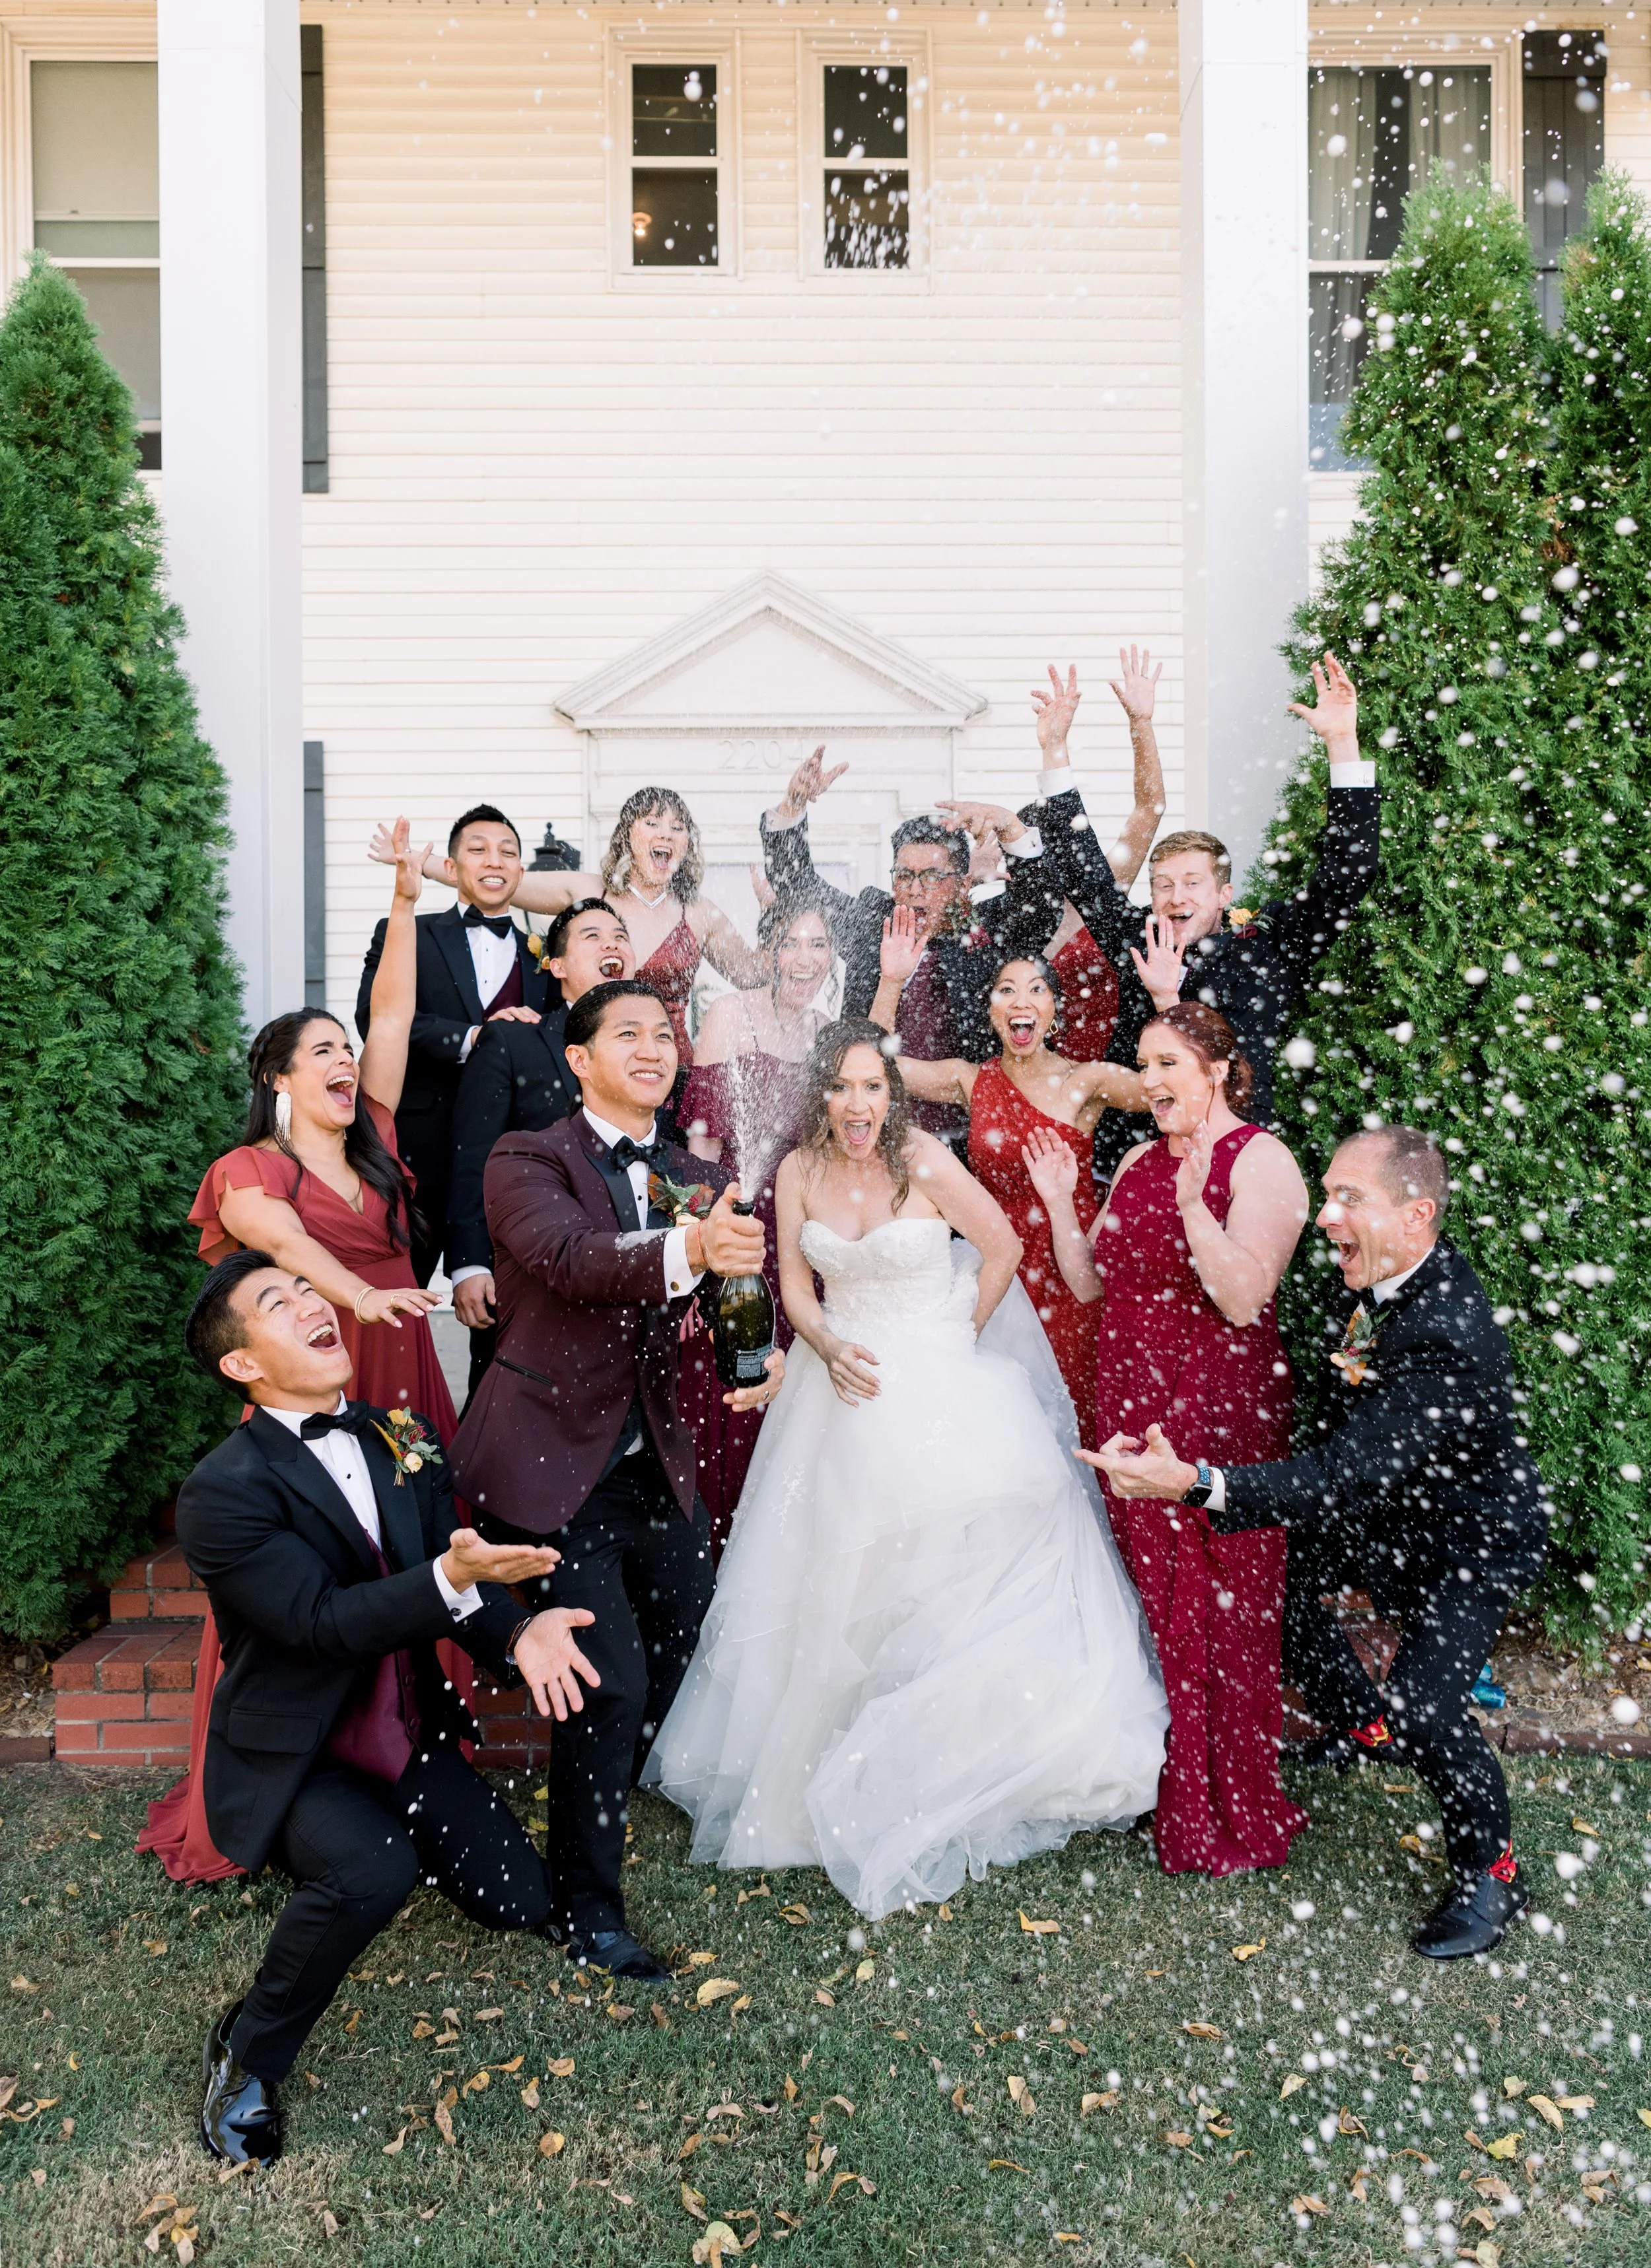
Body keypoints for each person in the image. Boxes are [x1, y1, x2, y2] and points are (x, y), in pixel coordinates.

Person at [644, 1019, 1168, 1920]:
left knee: (947, 1575)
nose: (858, 1104)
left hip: (937, 1379)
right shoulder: (797, 1170)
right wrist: (823, 1342)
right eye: (842, 1087)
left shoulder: (924, 1157)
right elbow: (795, 1286)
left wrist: (954, 1336)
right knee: (831, 1574)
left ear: (892, 1095)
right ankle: (834, 1755)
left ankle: (959, 1751)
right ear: (821, 1094)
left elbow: (1002, 1246)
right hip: (835, 1389)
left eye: (873, 1087)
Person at [176, 1248, 598, 2164]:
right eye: (278, 1302)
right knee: (372, 1870)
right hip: (303, 1754)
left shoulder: (399, 1432)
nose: (311, 1304)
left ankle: (408, 1832)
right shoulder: (220, 1492)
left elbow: (457, 1574)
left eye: (307, 1289)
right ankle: (248, 2049)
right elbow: (321, 1624)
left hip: (406, 1731)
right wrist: (449, 1575)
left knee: (518, 1899)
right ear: (241, 1363)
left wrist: (519, 1634)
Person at [1091, 1124, 1549, 1959]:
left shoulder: (1444, 1329)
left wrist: (1194, 1482)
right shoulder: (1378, 1278)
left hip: (1468, 1540)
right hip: (1381, 1514)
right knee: (1274, 1589)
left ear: (1416, 1216)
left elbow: (1342, 1469)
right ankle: (1361, 1725)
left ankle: (1493, 1873)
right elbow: (1346, 1426)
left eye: (1349, 1199)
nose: (1328, 1216)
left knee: (1426, 1707)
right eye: (1329, 1194)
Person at [141, 823, 464, 1886]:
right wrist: (359, 1293)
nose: (343, 1060)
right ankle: (280, 1786)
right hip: (319, 1371)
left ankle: (413, 1758)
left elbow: (394, 1013)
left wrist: (407, 900)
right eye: (319, 1050)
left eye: (343, 1049)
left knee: (411, 1554)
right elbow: (276, 1241)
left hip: (404, 1371)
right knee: (316, 1576)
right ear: (278, 1077)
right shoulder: (251, 1167)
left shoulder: (378, 1133)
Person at [448, 979, 786, 1979]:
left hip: (651, 1462)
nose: (653, 1047)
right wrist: (690, 1245)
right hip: (549, 1461)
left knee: (689, 1635)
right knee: (613, 1679)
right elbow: (574, 1259)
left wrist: (754, 1349)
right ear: (579, 1060)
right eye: (626, 1033)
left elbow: (718, 1292)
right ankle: (587, 1913)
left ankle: (604, 1789)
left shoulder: (690, 1170)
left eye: (663, 1033)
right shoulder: (526, 1158)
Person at [1035, 1005, 1312, 1876]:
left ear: (1219, 1070)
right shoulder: (1135, 1160)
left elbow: (1242, 1296)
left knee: (1222, 1611)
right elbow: (1090, 1282)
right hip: (1129, 1400)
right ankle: (1172, 1783)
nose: (1150, 1081)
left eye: (1169, 1064)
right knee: (1160, 1602)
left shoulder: (1261, 1160)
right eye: (1144, 1064)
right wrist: (1059, 1203)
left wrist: (1196, 1206)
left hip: (1218, 1406)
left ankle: (1229, 1803)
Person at [1026, 652, 1378, 1165]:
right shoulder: (1139, 941)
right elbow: (1083, 873)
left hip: (1230, 1161)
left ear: (1224, 894)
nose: (1177, 897)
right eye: (1164, 885)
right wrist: (1054, 750)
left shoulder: (1270, 946)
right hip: (1133, 1158)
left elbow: (1347, 876)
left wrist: (1342, 742)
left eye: (1193, 883)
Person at [868, 911, 1143, 1445]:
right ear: (993, 1011)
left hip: (1069, 1273)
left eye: (1037, 989)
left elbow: (1174, 1091)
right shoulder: (969, 1080)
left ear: (1055, 1011)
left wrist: (1166, 996)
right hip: (994, 1273)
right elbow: (876, 1067)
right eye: (1008, 990)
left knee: (1069, 1419)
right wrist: (892, 980)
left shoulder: (1087, 1082)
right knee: (1000, 1426)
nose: (1022, 1000)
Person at [375, 786, 769, 1067]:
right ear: (628, 836)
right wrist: (412, 860)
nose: (666, 832)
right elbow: (500, 880)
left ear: (686, 845)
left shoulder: (700, 913)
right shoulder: (590, 890)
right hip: (595, 1063)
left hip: (670, 1068)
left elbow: (755, 975)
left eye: (678, 827)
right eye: (652, 822)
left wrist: (773, 916)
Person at [680, 895, 837, 1546]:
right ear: (768, 952)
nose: (804, 958)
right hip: (735, 1234)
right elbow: (700, 1149)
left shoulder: (826, 1031)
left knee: (791, 1400)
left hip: (800, 1242)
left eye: (818, 944)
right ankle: (715, 1550)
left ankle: (773, 1552)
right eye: (791, 943)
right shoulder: (729, 1014)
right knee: (726, 1392)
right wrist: (700, 1257)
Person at [445, 897, 637, 1402]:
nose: (612, 943)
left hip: (627, 1275)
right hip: (528, 1274)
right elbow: (473, 1154)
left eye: (620, 936)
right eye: (593, 936)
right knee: (506, 1413)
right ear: (557, 966)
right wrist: (470, 1263)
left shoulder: (653, 1053)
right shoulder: (514, 1041)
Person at [356, 804, 552, 1285]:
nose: (494, 861)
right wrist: (474, 1037)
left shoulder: (546, 959)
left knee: (508, 1305)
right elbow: (374, 1019)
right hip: (416, 1154)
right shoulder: (409, 933)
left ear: (520, 872)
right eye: (478, 850)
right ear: (450, 867)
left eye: (507, 852)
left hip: (507, 1163)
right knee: (396, 1295)